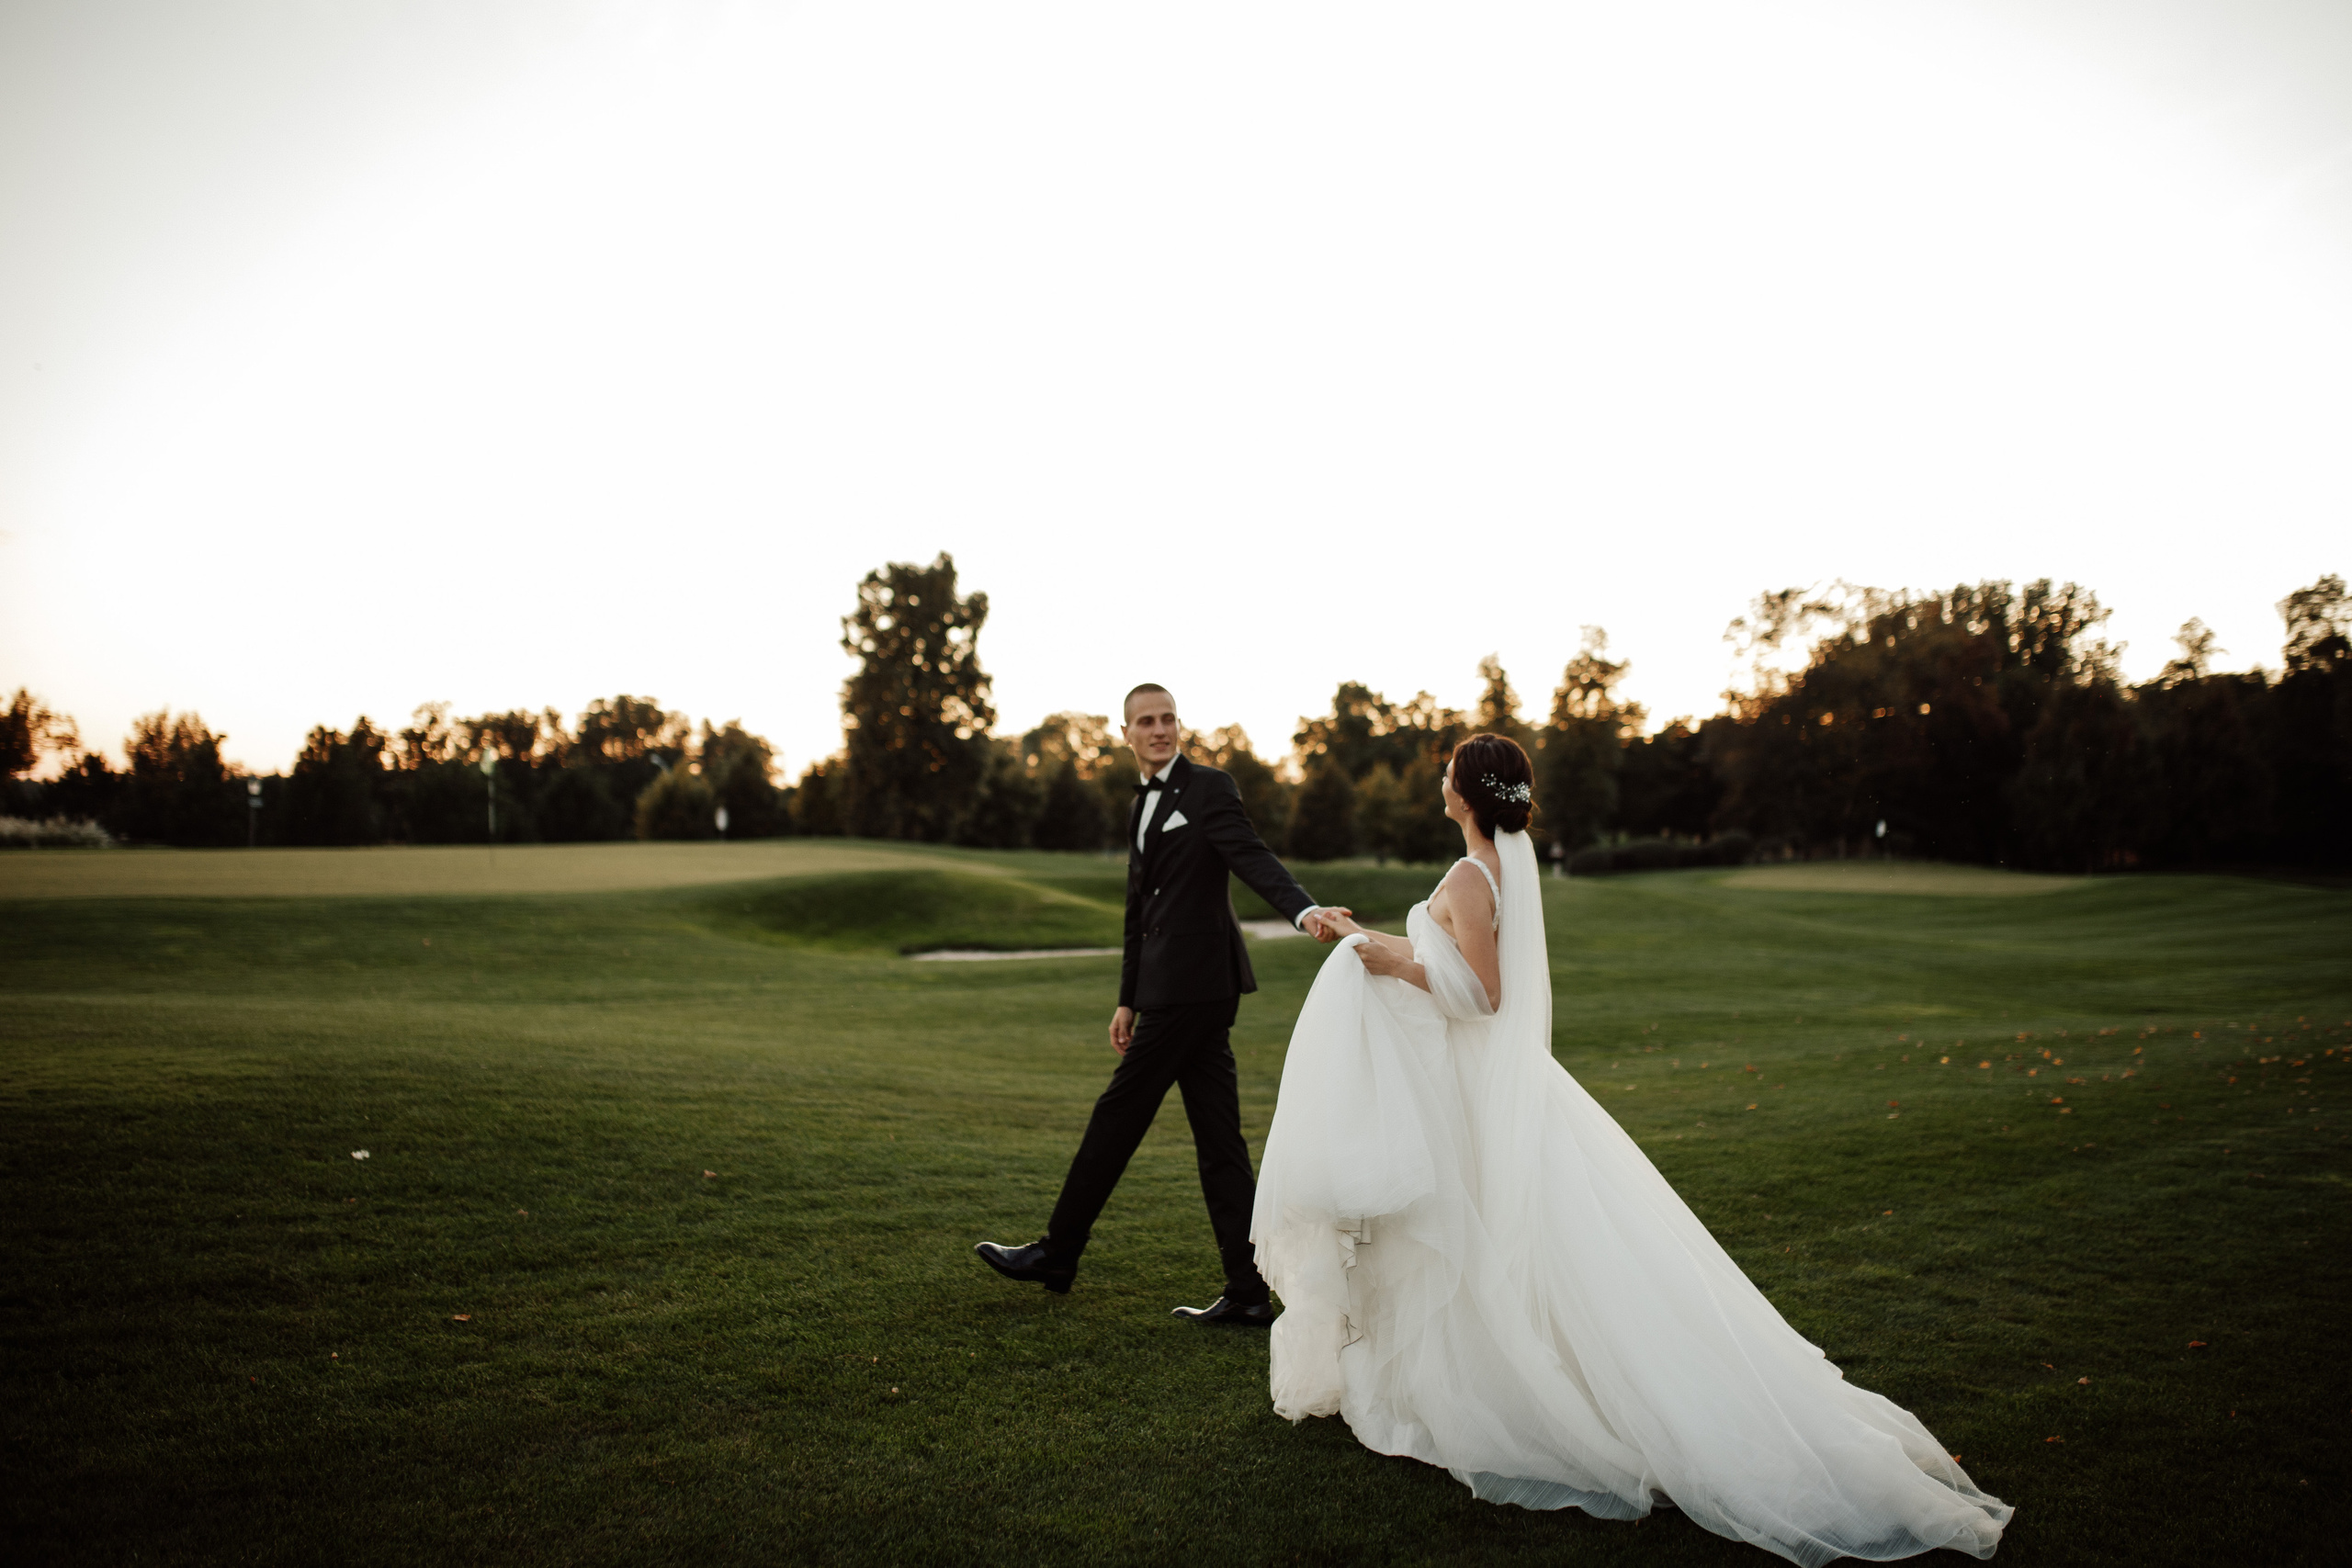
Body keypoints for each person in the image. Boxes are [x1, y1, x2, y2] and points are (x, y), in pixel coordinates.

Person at [1251, 734, 2010, 1565]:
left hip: (1473, 1084)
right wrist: (1375, 945)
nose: (1439, 780)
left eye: (1447, 773)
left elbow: (1481, 993)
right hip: (1477, 1085)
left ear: (1468, 792)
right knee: (1535, 1240)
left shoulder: (1474, 876)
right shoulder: (1502, 864)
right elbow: (1454, 967)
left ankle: (1566, 1402)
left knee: (1523, 1240)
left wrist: (1382, 960)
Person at [976, 683, 1338, 1324]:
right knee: (1220, 1140)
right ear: (1126, 734)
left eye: (1168, 718)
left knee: (1117, 1115)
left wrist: (1303, 910)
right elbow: (1138, 910)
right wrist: (1126, 999)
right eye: (1146, 721)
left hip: (1198, 987)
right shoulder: (1140, 803)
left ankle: (1058, 1253)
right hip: (1168, 988)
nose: (1159, 729)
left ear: (1179, 725)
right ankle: (1250, 1288)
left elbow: (1251, 856)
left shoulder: (1209, 787)